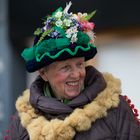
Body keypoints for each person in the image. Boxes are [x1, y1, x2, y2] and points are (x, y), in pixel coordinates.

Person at [4, 2, 140, 140]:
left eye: (79, 64)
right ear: (43, 73)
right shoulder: (24, 121)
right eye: (66, 67)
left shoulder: (115, 109)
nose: (76, 74)